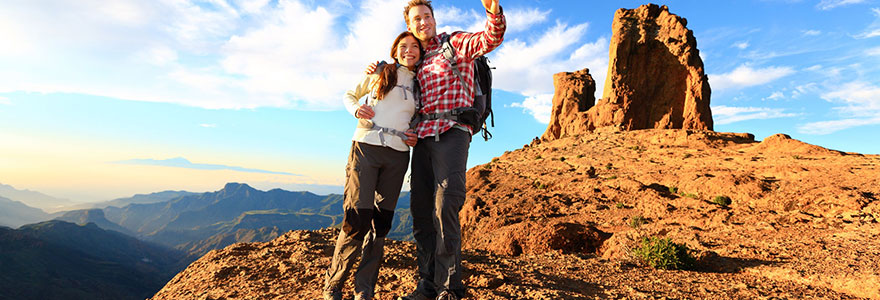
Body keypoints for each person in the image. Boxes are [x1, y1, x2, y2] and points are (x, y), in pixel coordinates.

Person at [397, 1, 506, 299]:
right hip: (422, 138)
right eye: (416, 19)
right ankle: (427, 284)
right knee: (421, 211)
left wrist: (493, 12)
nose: (423, 22)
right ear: (410, 25)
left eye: (427, 16)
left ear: (434, 18)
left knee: (445, 206)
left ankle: (450, 287)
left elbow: (489, 39)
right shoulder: (415, 59)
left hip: (453, 132)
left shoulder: (454, 43)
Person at [323, 31, 423, 300]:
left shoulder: (421, 83)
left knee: (381, 224)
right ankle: (334, 284)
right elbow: (349, 95)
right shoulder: (380, 71)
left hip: (398, 154)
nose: (409, 50)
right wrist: (357, 110)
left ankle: (364, 290)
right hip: (366, 147)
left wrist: (414, 134)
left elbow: (416, 120)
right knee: (357, 218)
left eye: (415, 46)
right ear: (395, 50)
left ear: (421, 52)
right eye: (403, 46)